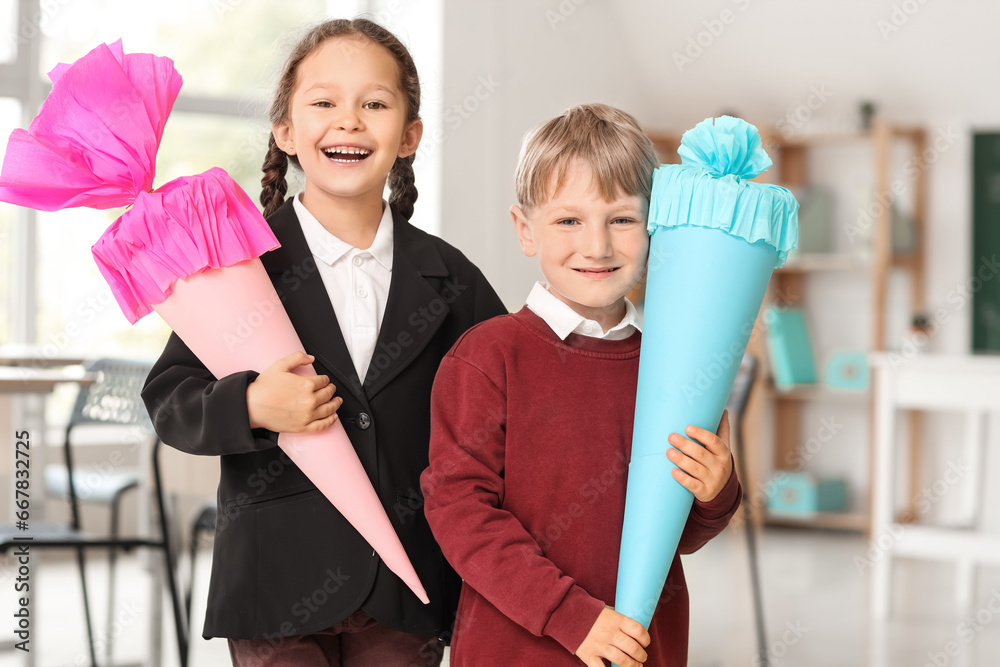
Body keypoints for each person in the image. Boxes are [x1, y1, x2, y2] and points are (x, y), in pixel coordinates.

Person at [142, 18, 505, 667]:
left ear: (409, 135)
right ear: (285, 130)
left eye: (375, 103)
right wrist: (251, 404)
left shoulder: (454, 279)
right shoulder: (239, 269)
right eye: (324, 102)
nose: (350, 121)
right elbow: (171, 397)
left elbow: (508, 406)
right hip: (274, 581)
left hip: (405, 584)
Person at [421, 103, 742, 667]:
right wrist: (572, 617)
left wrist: (717, 490)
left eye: (621, 219)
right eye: (569, 220)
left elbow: (682, 535)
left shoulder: (678, 363)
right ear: (526, 230)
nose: (597, 246)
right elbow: (459, 513)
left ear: (655, 228)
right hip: (516, 651)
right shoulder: (488, 356)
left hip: (645, 650)